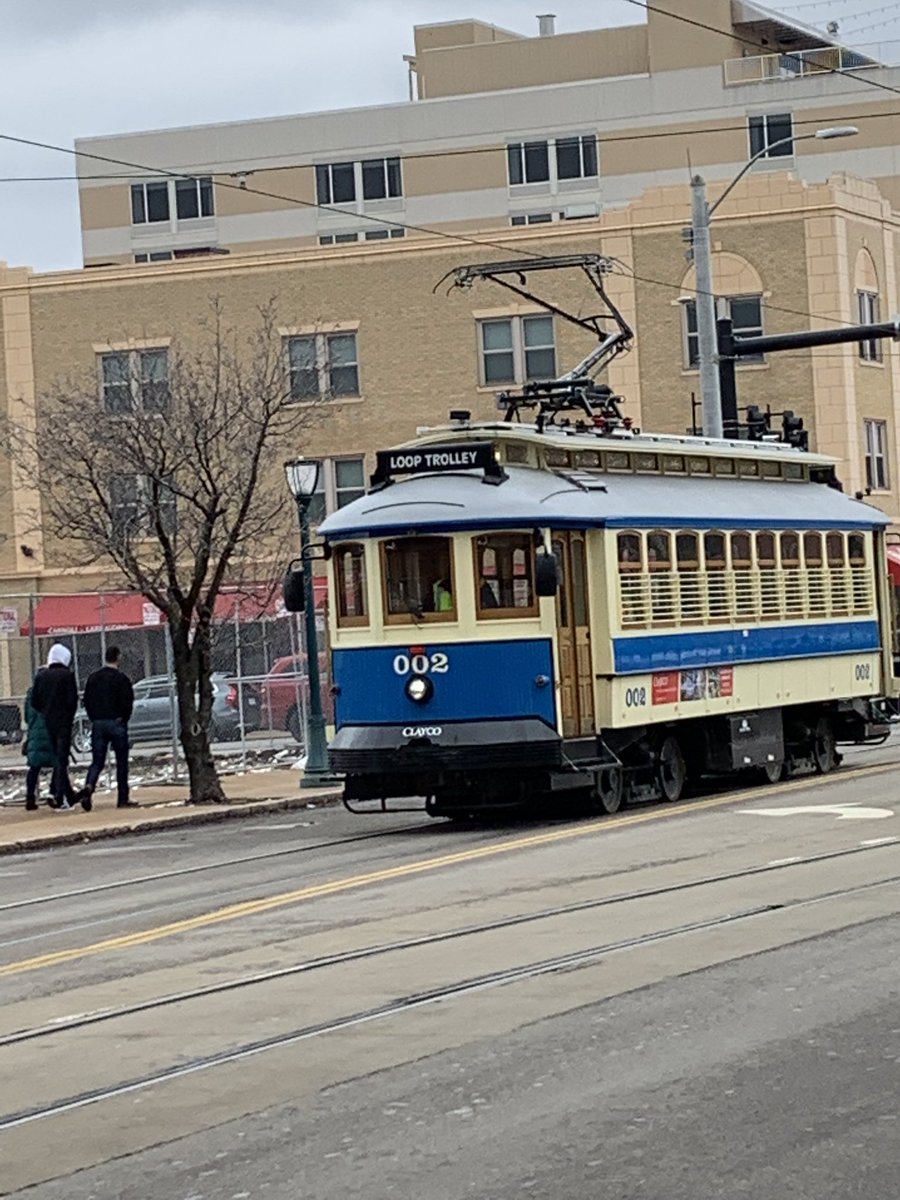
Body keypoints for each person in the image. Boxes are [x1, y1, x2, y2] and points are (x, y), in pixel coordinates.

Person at [78, 645, 136, 810]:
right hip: (116, 723)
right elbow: (128, 702)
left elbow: (87, 701)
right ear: (118, 657)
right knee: (122, 762)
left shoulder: (93, 678)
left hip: (98, 723)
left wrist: (94, 718)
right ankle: (122, 798)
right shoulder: (122, 679)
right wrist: (123, 718)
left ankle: (89, 786)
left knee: (97, 761)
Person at [31, 643, 85, 812]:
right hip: (64, 723)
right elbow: (72, 701)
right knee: (62, 760)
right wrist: (67, 715)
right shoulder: (67, 676)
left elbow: (35, 701)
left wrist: (46, 711)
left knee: (58, 759)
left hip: (49, 722)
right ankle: (61, 798)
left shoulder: (41, 677)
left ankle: (68, 795)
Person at [22, 671, 56, 810]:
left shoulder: (30, 695)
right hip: (49, 731)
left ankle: (30, 797)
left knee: (34, 767)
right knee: (58, 763)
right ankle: (53, 792)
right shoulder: (50, 693)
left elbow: (26, 716)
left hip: (34, 733)